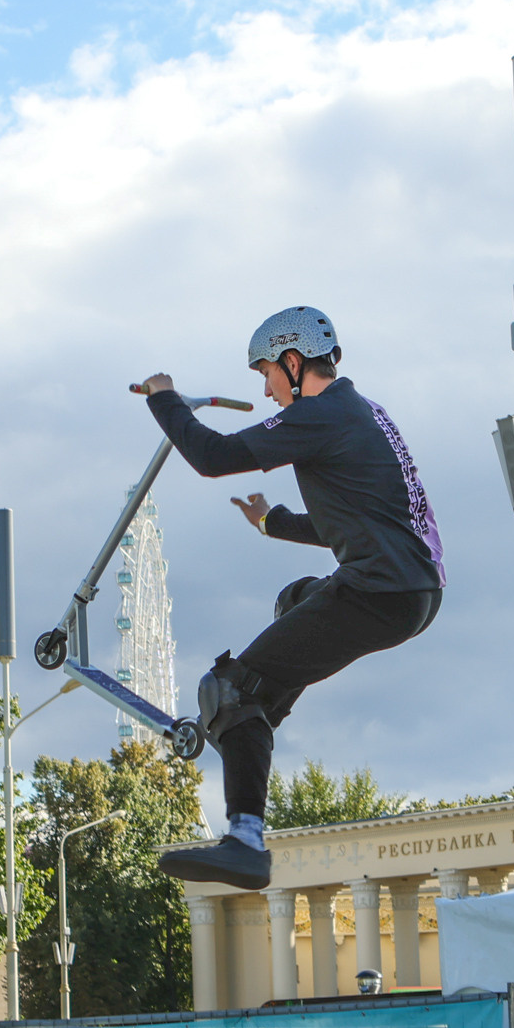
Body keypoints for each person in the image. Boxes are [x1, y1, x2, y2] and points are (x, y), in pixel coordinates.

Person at [140, 307, 445, 890]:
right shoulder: (363, 412)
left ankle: (246, 840)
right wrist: (271, 521)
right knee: (296, 598)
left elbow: (213, 457)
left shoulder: (319, 414)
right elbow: (351, 524)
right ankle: (253, 722)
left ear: (293, 361)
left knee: (227, 690)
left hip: (379, 591)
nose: (266, 390)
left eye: (267, 374)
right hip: (412, 590)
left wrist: (165, 399)